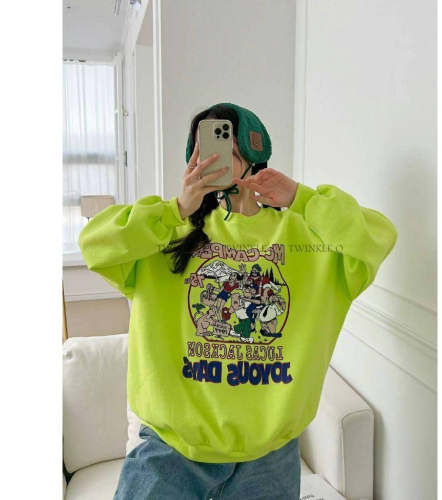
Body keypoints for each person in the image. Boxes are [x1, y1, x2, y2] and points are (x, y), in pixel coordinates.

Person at [79, 103, 398, 500]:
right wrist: (177, 209)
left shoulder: (308, 239)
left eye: (226, 144)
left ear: (253, 151)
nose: (215, 156)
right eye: (204, 148)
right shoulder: (166, 233)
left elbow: (376, 236)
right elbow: (95, 243)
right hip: (170, 456)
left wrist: (301, 198)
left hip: (269, 461)